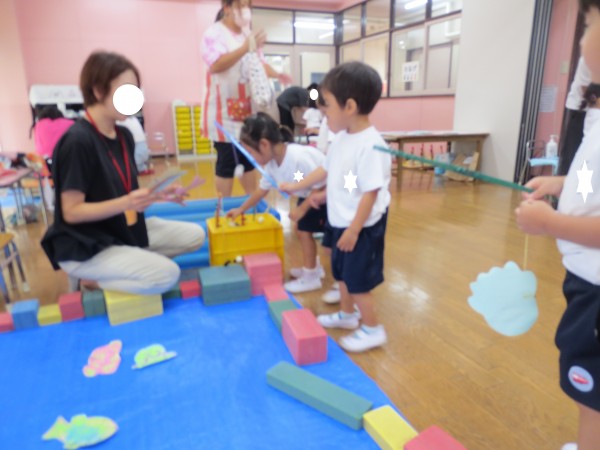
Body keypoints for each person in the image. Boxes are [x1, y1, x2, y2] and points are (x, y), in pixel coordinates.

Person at [41, 51, 205, 295]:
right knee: (166, 274)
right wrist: (127, 201)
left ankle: (125, 263)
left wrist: (159, 194)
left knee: (196, 235)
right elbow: (72, 213)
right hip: (85, 243)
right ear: (98, 91)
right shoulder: (77, 141)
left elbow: (127, 195)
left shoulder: (124, 136)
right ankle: (89, 281)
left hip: (119, 230)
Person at [515, 2, 600, 448]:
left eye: (589, 25)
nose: (583, 38)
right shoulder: (598, 117)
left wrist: (549, 224)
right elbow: (593, 179)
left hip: (597, 289)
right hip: (586, 279)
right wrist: (561, 181)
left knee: (593, 389)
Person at [281, 62, 391, 352]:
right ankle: (347, 314)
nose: (322, 112)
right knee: (341, 273)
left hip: (362, 225)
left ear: (350, 106)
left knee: (357, 280)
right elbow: (328, 171)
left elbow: (370, 193)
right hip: (341, 218)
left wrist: (354, 230)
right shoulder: (342, 138)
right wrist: (298, 185)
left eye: (326, 105)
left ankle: (372, 329)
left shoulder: (371, 145)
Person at [226, 112, 327, 293]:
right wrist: (242, 209)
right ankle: (313, 268)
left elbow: (323, 182)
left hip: (326, 194)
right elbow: (261, 191)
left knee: (311, 234)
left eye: (250, 152)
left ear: (264, 144)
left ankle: (312, 275)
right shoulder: (271, 164)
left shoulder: (298, 157)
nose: (251, 158)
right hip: (310, 195)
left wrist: (303, 209)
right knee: (302, 230)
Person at [202, 0, 291, 197]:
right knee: (227, 161)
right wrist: (245, 47)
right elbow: (215, 64)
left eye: (248, 6)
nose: (246, 10)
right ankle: (223, 207)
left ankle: (251, 203)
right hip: (223, 111)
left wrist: (277, 74)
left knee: (249, 157)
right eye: (241, 5)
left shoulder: (246, 34)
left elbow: (259, 63)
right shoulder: (214, 34)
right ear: (227, 8)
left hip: (246, 111)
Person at [558, 57, 591, 175]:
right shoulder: (592, 54)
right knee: (576, 156)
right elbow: (586, 90)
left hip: (591, 110)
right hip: (580, 111)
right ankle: (571, 188)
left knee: (589, 159)